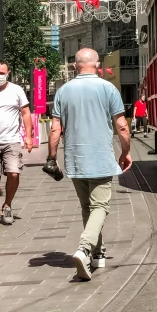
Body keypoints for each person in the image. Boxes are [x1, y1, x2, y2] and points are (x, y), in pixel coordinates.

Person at [48, 48, 132, 281]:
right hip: (101, 158)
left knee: (87, 207)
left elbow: (55, 129)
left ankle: (98, 253)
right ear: (98, 65)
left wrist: (52, 157)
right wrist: (125, 152)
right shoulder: (108, 89)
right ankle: (85, 249)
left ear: (75, 66)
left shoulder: (63, 92)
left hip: (75, 160)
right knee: (100, 207)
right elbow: (122, 126)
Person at [0, 60, 32, 225]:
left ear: (8, 73)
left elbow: (25, 112)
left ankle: (7, 205)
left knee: (13, 173)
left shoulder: (16, 90)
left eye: (2, 73)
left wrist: (29, 136)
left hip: (11, 140)